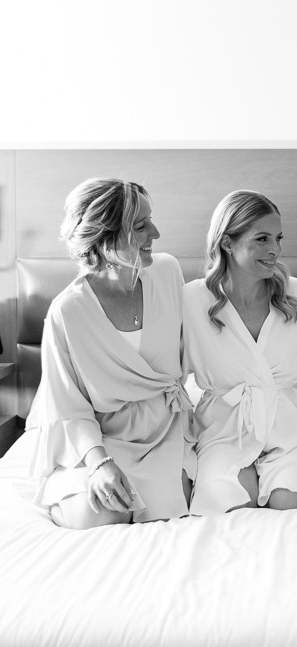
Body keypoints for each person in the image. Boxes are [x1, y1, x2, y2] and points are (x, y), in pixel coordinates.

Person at [27, 178, 196, 528]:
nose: (157, 233)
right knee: (103, 512)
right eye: (141, 225)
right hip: (102, 440)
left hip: (166, 430)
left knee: (170, 507)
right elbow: (68, 407)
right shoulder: (67, 312)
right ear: (105, 239)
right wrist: (100, 464)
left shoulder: (167, 272)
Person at [183, 190, 297, 514]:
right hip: (225, 431)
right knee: (224, 508)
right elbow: (172, 383)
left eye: (278, 238)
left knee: (293, 506)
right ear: (227, 242)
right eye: (262, 239)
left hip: (294, 428)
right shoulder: (191, 302)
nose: (276, 250)